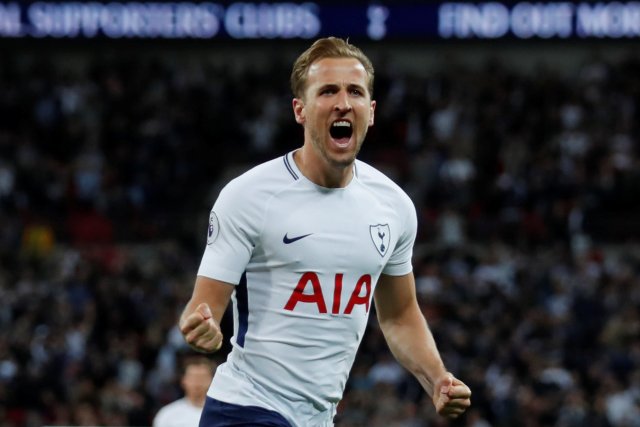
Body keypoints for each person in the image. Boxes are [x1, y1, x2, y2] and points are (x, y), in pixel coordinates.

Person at [179, 37, 472, 427]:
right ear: (299, 110)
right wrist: (206, 330)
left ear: (371, 110)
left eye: (355, 92)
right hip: (244, 408)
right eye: (328, 91)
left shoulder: (393, 206)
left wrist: (437, 378)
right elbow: (205, 309)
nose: (342, 103)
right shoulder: (249, 196)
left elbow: (399, 315)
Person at [152, 356, 216, 427]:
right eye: (193, 377)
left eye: (202, 377)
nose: (198, 382)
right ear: (183, 380)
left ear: (212, 380)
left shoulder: (222, 414)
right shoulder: (167, 414)